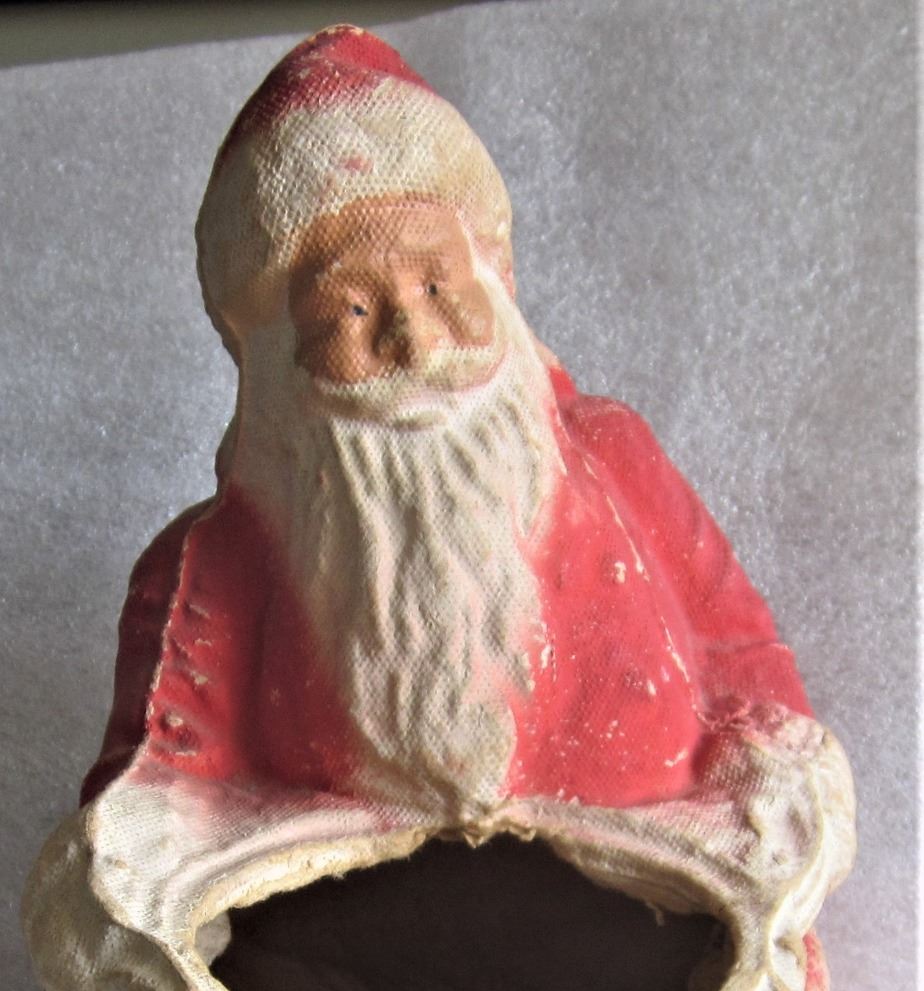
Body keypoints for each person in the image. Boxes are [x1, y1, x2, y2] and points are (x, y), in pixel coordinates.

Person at [82, 25, 813, 828]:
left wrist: (769, 780)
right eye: (351, 309)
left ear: (493, 280)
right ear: (276, 353)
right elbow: (143, 808)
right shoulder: (208, 567)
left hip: (651, 884)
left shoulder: (612, 455)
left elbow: (743, 659)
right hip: (349, 911)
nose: (414, 342)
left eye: (437, 286)